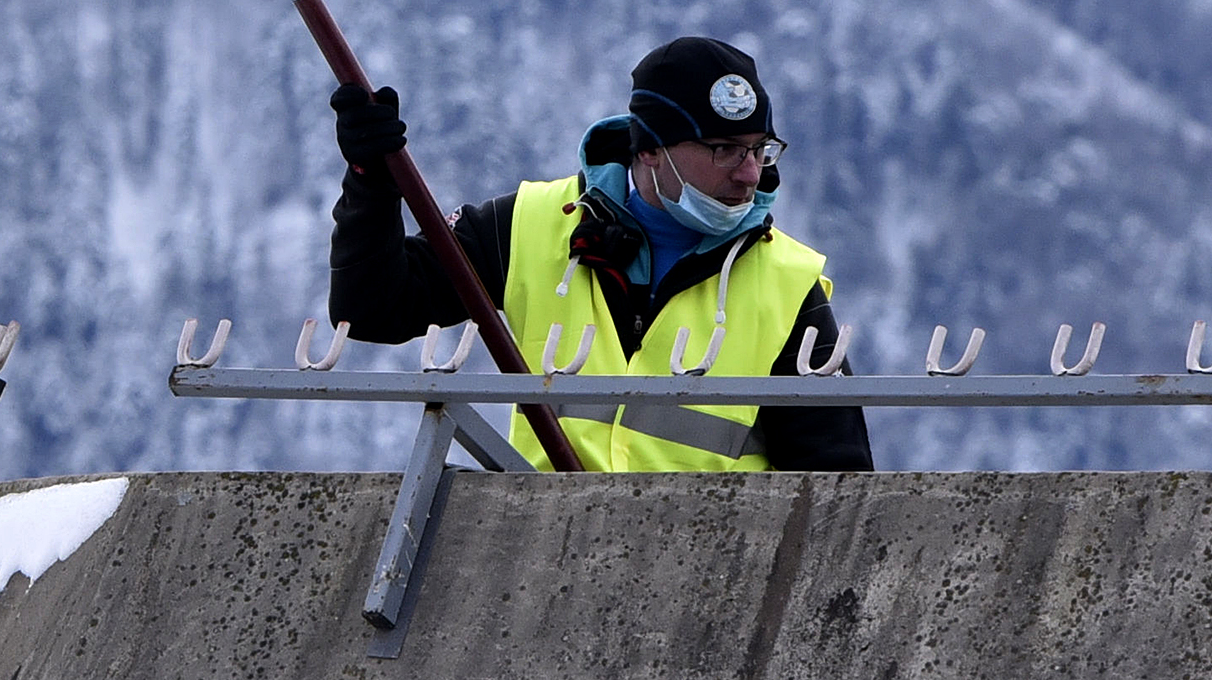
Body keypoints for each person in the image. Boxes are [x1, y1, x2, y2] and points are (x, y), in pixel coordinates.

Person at [327, 36, 871, 472]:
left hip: (713, 584)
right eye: (723, 149)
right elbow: (373, 308)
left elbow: (837, 493)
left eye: (759, 148)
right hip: (538, 562)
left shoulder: (790, 286)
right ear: (651, 149)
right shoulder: (529, 226)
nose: (751, 172)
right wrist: (370, 183)